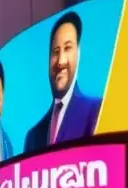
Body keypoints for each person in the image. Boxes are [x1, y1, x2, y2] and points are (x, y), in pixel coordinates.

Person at [23, 11, 102, 152]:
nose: (61, 61)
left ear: (78, 53)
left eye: (67, 48)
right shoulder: (33, 137)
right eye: (55, 51)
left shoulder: (96, 111)